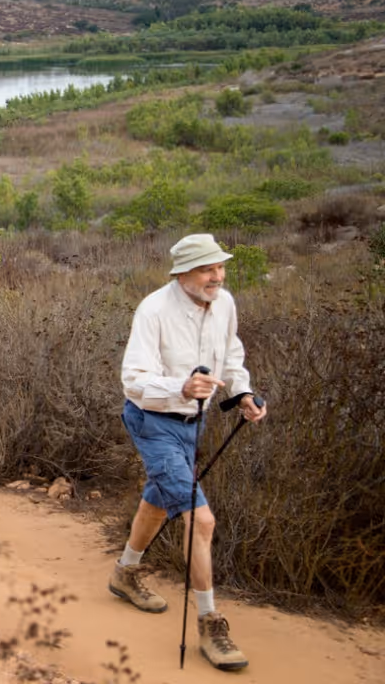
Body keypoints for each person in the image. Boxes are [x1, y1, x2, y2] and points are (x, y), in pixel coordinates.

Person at [109, 234, 267, 671]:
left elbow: (231, 354)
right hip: (152, 422)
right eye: (206, 269)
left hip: (194, 424)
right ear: (182, 274)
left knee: (159, 500)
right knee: (201, 518)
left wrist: (243, 393)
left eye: (219, 267)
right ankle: (209, 622)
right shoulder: (154, 309)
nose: (216, 276)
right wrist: (178, 386)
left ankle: (125, 572)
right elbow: (133, 379)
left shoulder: (225, 304)